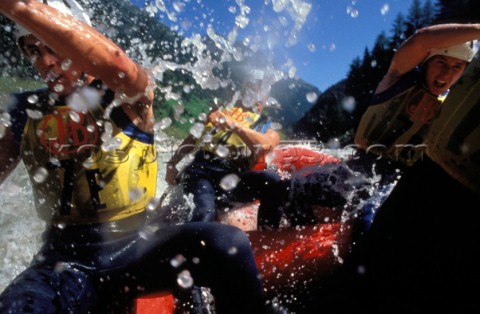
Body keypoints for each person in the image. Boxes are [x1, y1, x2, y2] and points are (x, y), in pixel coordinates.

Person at [0, 1, 266, 313]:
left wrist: (15, 5)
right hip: (62, 260)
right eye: (33, 51)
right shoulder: (23, 109)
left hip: (135, 246)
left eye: (52, 47)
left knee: (228, 245)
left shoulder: (126, 93)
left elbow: (119, 65)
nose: (44, 61)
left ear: (78, 40)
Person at [313, 23, 480, 313]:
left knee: (368, 224)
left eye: (457, 67)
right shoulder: (397, 78)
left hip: (393, 181)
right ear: (427, 62)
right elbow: (421, 39)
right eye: (441, 62)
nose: (446, 73)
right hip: (359, 167)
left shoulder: (447, 110)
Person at [165, 68, 284, 228]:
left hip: (231, 179)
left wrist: (232, 124)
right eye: (251, 88)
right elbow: (193, 138)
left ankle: (267, 236)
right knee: (205, 213)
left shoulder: (268, 129)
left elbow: (265, 146)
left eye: (260, 92)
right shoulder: (220, 113)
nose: (255, 96)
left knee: (273, 181)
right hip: (201, 171)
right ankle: (192, 241)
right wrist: (172, 164)